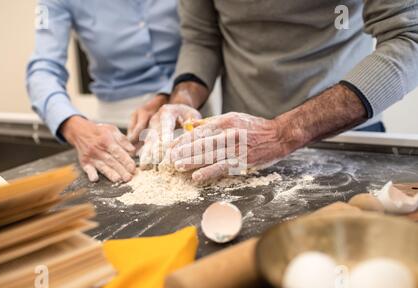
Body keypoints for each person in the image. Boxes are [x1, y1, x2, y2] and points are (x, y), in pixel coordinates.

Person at [139, 0, 418, 183]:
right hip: (237, 142)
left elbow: (409, 38)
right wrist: (183, 98)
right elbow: (201, 38)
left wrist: (283, 132)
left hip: (347, 133)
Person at [26, 0, 181, 183]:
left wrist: (173, 94)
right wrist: (73, 126)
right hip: (120, 119)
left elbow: (202, 42)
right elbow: (43, 70)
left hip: (187, 99)